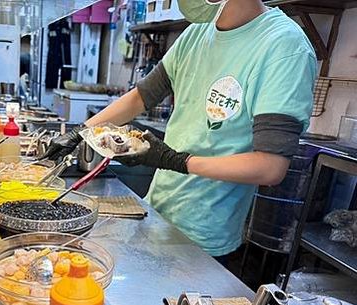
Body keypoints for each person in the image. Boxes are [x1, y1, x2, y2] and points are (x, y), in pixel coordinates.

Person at [45, 0, 316, 261]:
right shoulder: (196, 33)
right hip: (157, 211)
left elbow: (270, 167)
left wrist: (178, 161)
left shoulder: (284, 46)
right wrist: (81, 131)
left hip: (204, 234)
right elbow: (141, 96)